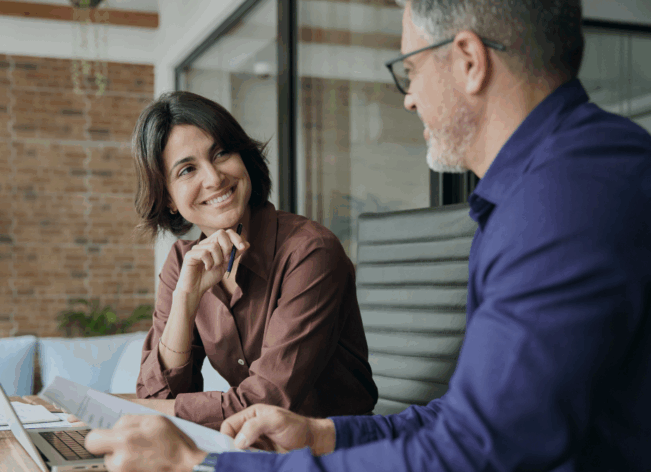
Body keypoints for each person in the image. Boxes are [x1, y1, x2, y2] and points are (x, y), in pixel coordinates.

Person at [82, 0, 651, 470]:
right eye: (185, 170)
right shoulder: (544, 187)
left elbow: (476, 450)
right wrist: (325, 436)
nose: (408, 97)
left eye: (411, 69)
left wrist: (195, 465)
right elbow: (471, 418)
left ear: (470, 61)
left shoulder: (563, 199)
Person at [123, 91, 377, 430]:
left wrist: (136, 411)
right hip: (251, 448)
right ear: (168, 198)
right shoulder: (184, 264)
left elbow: (265, 402)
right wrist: (185, 300)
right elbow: (157, 395)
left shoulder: (310, 252)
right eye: (187, 169)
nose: (213, 178)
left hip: (336, 452)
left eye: (222, 153)